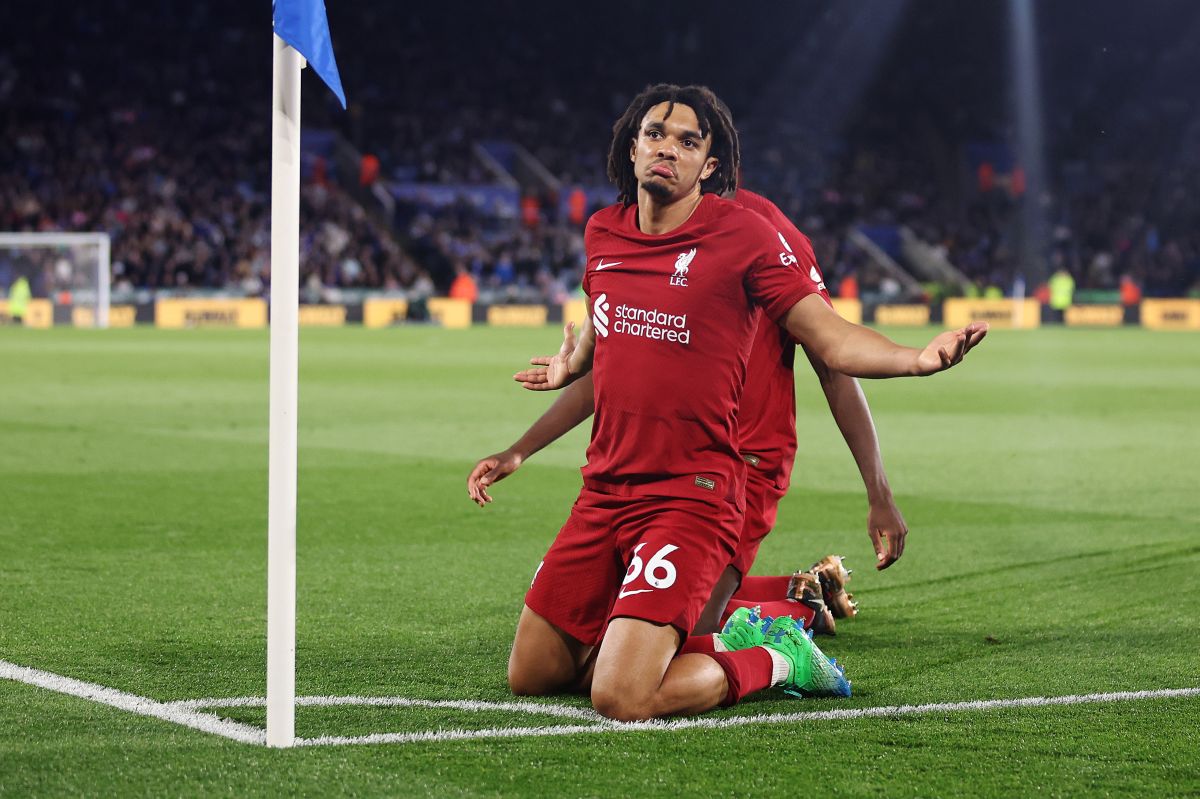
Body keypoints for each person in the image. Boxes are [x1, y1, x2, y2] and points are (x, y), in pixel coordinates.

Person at [486, 84, 987, 722]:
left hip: (713, 478)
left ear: (712, 162)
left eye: (689, 141)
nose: (668, 149)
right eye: (656, 135)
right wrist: (540, 414)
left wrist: (915, 360)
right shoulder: (604, 233)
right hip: (608, 485)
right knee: (534, 676)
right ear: (631, 146)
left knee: (624, 691)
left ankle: (779, 652)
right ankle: (764, 605)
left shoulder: (754, 234)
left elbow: (831, 346)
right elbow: (607, 346)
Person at [468, 186, 906, 638]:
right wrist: (520, 450)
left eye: (690, 140)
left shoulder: (766, 232)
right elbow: (614, 371)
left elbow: (833, 362)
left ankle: (794, 621)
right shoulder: (639, 234)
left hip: (743, 462)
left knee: (675, 642)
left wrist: (879, 492)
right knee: (620, 623)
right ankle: (799, 591)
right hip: (665, 462)